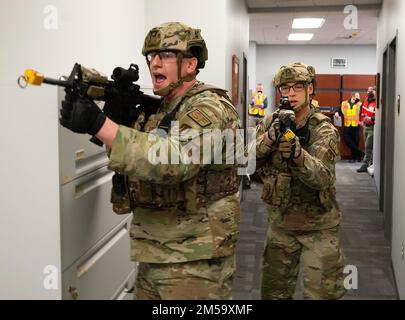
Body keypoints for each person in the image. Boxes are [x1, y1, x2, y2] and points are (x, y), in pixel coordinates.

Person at [59, 22, 242, 300]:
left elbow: (176, 160)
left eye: (167, 55)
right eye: (151, 56)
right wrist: (119, 120)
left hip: (195, 262)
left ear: (191, 64)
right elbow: (137, 160)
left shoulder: (209, 107)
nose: (155, 63)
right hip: (157, 249)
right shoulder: (165, 107)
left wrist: (99, 124)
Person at [254, 62, 346, 299]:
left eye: (297, 87)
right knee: (274, 294)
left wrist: (297, 155)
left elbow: (322, 177)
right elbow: (245, 162)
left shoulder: (323, 129)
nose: (290, 93)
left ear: (310, 89)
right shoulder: (270, 121)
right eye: (285, 88)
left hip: (318, 227)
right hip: (280, 224)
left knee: (321, 294)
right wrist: (267, 140)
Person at [339, 92, 364, 162]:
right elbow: (339, 110)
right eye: (357, 96)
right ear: (353, 96)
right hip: (347, 125)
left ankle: (353, 157)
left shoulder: (360, 104)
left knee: (355, 141)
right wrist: (337, 113)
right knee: (347, 140)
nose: (359, 98)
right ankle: (361, 154)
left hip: (356, 126)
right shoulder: (344, 103)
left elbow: (363, 113)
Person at [357, 86, 377, 173]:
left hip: (372, 127)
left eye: (371, 90)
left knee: (368, 147)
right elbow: (363, 112)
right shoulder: (366, 100)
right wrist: (362, 121)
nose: (368, 91)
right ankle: (370, 163)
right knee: (367, 146)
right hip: (365, 126)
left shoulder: (377, 102)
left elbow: (379, 115)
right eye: (368, 90)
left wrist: (371, 118)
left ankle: (365, 165)